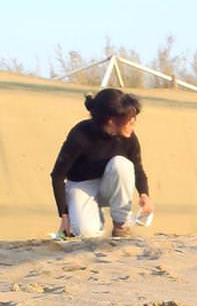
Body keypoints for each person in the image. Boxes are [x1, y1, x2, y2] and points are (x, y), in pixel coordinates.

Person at [50, 88, 154, 238]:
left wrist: (145, 195)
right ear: (111, 120)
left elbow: (137, 168)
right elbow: (58, 175)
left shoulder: (129, 138)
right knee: (87, 234)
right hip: (82, 186)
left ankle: (121, 226)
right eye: (129, 120)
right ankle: (85, 221)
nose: (133, 123)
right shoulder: (80, 134)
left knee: (122, 165)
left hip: (110, 185)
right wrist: (64, 215)